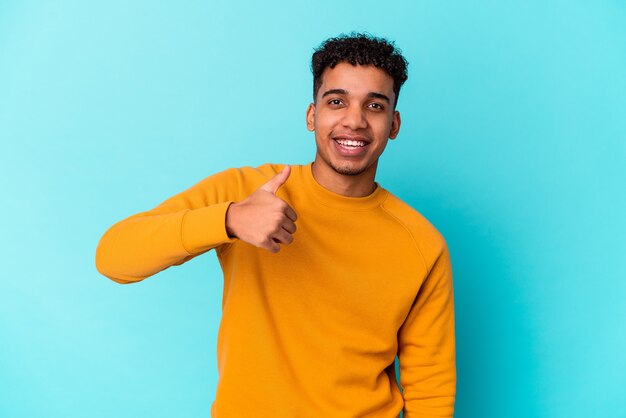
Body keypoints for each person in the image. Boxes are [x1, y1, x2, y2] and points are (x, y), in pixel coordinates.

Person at [96, 33, 456, 418]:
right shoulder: (244, 192)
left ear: (394, 123)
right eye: (337, 101)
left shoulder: (421, 242)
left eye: (375, 105)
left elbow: (430, 387)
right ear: (312, 115)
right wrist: (230, 219)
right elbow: (114, 256)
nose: (355, 120)